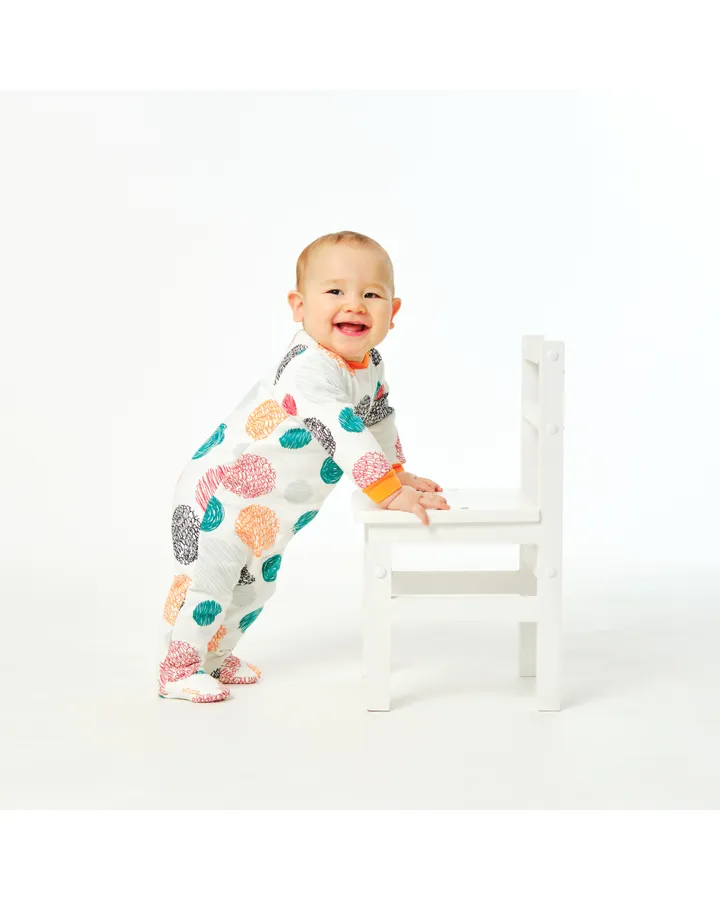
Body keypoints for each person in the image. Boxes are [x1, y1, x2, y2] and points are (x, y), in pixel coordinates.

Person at [158, 230, 450, 702]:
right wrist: (389, 492)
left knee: (254, 587)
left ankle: (214, 657)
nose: (354, 305)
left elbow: (376, 420)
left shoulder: (370, 364)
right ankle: (178, 668)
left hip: (270, 512)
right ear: (299, 306)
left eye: (371, 295)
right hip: (220, 496)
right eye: (334, 291)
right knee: (208, 585)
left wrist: (395, 471)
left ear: (392, 312)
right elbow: (343, 428)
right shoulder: (307, 367)